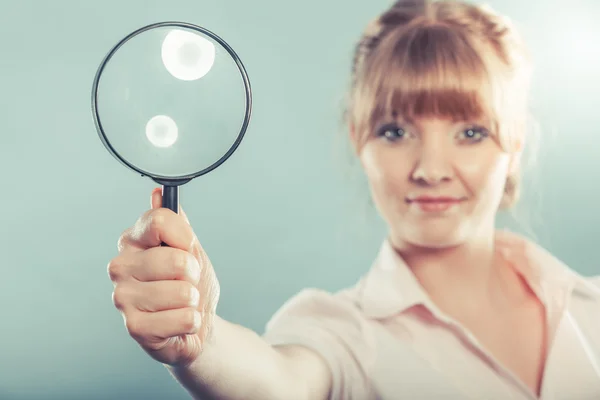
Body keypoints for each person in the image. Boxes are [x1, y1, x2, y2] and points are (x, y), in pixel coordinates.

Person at [107, 0, 600, 399]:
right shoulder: (340, 333)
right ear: (358, 138)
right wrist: (202, 340)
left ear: (514, 145)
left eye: (470, 132)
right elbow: (283, 383)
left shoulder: (589, 302)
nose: (429, 169)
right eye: (395, 130)